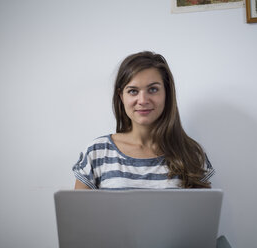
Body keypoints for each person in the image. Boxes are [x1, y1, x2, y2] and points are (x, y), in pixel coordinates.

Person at [73, 51, 214, 190]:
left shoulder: (191, 154)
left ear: (167, 93)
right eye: (133, 91)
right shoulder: (97, 152)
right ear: (121, 96)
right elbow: (79, 212)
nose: (143, 100)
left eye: (153, 89)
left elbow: (203, 212)